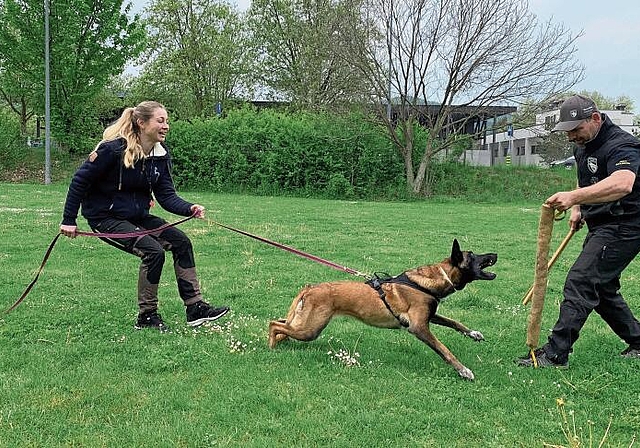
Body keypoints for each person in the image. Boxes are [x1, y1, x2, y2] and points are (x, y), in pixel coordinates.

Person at [60, 101, 229, 332]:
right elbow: (79, 181)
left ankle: (195, 308)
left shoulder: (160, 155)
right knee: (153, 251)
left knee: (181, 241)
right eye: (160, 120)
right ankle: (147, 316)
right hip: (105, 218)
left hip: (138, 216)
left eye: (167, 121)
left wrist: (189, 208)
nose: (166, 126)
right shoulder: (112, 150)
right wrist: (69, 220)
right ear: (142, 123)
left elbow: (167, 196)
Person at [517, 94, 640, 367]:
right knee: (603, 288)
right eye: (568, 132)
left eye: (576, 130)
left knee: (581, 281)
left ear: (595, 119)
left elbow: (623, 184)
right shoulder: (583, 144)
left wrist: (573, 197)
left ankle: (556, 353)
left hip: (626, 224)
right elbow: (584, 175)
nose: (571, 137)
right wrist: (578, 207)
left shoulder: (622, 145)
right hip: (602, 223)